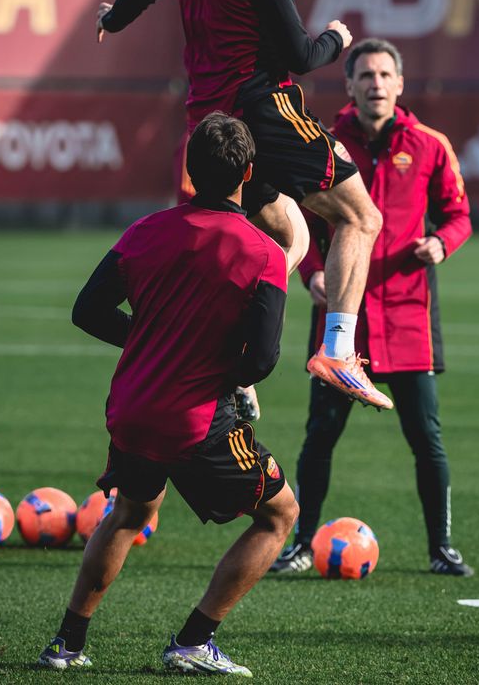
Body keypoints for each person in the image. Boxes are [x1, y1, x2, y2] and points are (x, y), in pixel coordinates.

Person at [95, 0, 391, 410]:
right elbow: (302, 54)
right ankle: (338, 351)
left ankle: (226, 356)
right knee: (361, 216)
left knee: (291, 238)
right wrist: (337, 37)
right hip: (262, 111)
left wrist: (113, 18)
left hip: (211, 129)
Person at [38, 113, 298, 676]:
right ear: (249, 174)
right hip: (196, 418)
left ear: (188, 171)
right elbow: (261, 360)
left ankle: (67, 644)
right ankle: (193, 640)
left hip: (131, 409)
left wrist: (149, 341)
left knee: (131, 512)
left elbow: (88, 310)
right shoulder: (264, 253)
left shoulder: (145, 231)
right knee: (280, 516)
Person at [270, 39, 474, 577]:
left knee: (426, 438)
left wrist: (442, 243)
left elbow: (458, 214)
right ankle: (299, 545)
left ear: (400, 85)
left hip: (409, 318)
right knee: (320, 436)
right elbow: (302, 221)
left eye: (385, 75)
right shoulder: (324, 143)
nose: (376, 83)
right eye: (365, 75)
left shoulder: (430, 145)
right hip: (343, 317)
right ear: (350, 85)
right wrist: (313, 271)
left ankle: (441, 548)